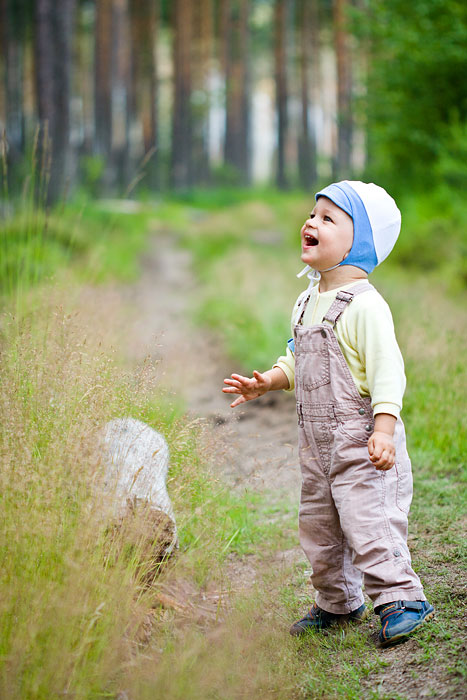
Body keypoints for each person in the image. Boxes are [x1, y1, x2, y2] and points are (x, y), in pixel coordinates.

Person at [222, 180, 434, 648]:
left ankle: (402, 597)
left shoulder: (366, 306)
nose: (310, 223)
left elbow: (386, 372)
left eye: (327, 218)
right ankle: (337, 602)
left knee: (369, 520)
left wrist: (384, 427)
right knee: (320, 524)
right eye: (312, 214)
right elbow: (299, 358)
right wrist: (269, 381)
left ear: (357, 243)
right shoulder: (306, 301)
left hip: (362, 439)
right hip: (316, 443)